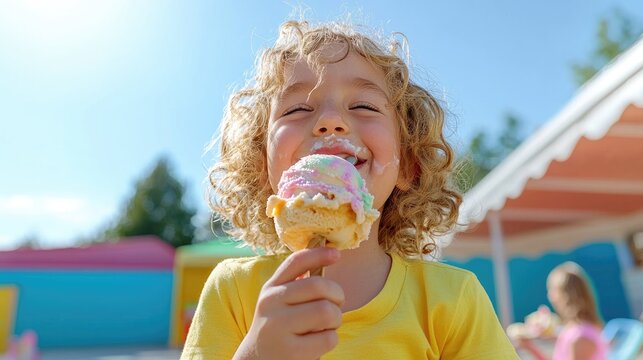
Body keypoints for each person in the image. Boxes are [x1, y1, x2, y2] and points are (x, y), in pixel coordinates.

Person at [181, 19, 518, 360]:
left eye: (363, 106)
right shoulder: (233, 292)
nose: (330, 120)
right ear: (262, 168)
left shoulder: (454, 300)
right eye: (297, 108)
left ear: (410, 164)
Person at [518, 262, 608, 360]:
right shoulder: (574, 330)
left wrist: (531, 348)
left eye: (552, 290)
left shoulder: (581, 338)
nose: (550, 297)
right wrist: (530, 345)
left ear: (564, 296)